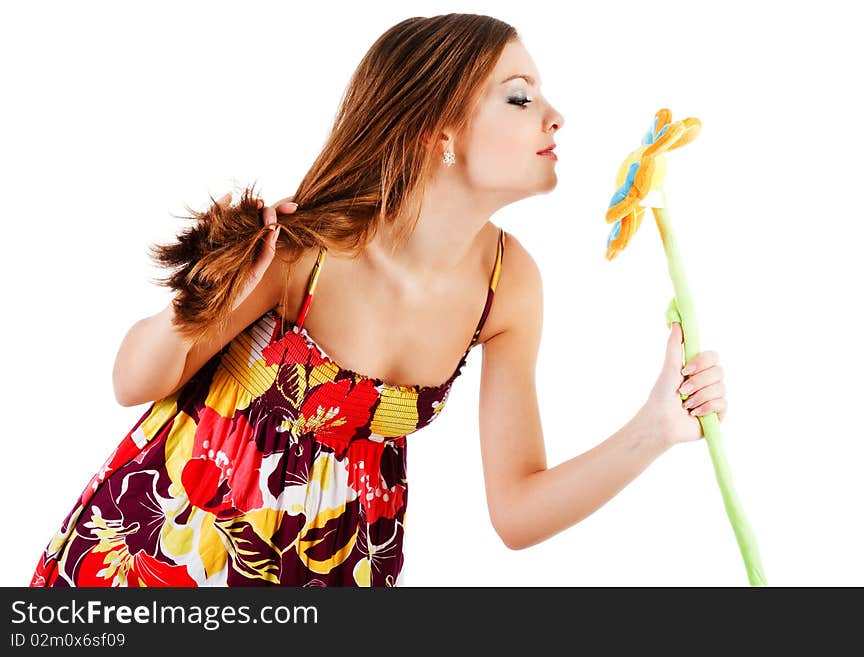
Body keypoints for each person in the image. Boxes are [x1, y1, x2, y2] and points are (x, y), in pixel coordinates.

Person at [30, 13, 727, 588]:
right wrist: (214, 292)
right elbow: (131, 381)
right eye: (520, 96)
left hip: (332, 573)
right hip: (161, 559)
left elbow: (516, 509)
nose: (556, 116)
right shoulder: (305, 249)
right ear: (440, 134)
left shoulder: (508, 285)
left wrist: (657, 425)